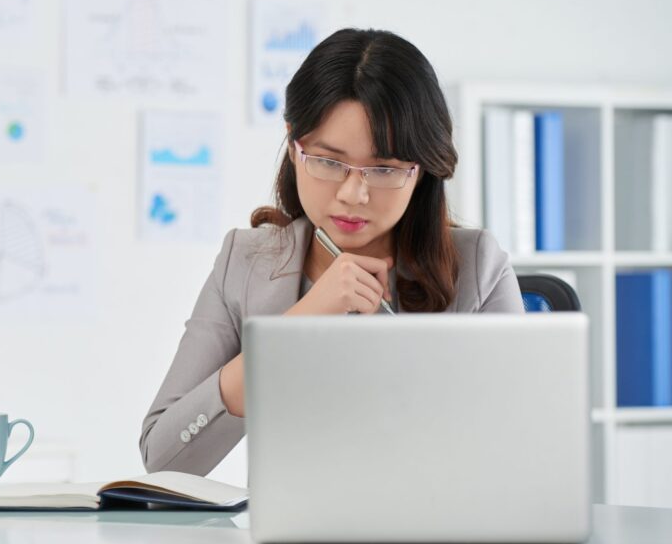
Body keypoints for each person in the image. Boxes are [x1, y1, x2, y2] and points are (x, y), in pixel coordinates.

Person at [139, 28, 524, 476]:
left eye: (383, 168)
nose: (353, 193)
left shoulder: (477, 266)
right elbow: (163, 458)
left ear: (421, 172)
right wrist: (296, 327)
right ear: (293, 144)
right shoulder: (244, 264)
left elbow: (521, 451)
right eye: (327, 161)